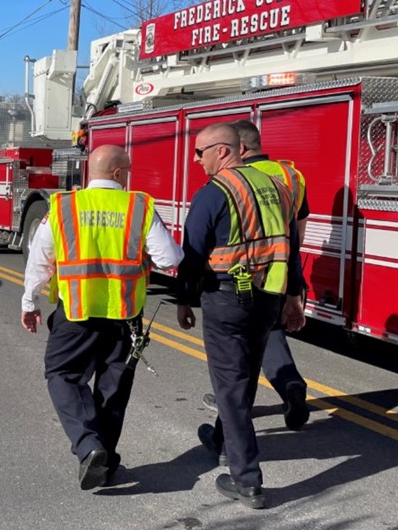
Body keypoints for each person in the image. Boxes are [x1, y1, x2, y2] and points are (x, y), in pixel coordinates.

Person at [21, 145, 183, 490]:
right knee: (113, 388)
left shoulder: (64, 206)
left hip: (77, 312)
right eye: (128, 172)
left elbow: (39, 257)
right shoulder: (138, 207)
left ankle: (88, 447)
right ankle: (104, 459)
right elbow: (170, 258)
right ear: (117, 174)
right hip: (125, 316)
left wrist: (29, 302)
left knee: (63, 375)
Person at [177, 122, 305, 509]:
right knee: (244, 377)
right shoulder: (278, 188)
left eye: (200, 153)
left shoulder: (214, 193)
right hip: (264, 295)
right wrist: (294, 297)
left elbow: (193, 255)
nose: (195, 160)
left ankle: (245, 478)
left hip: (230, 296)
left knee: (231, 386)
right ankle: (221, 439)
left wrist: (185, 300)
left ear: (223, 151)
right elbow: (292, 246)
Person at [201, 120, 310, 431]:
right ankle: (289, 385)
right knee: (267, 335)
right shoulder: (291, 175)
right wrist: (293, 284)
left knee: (236, 350)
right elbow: (297, 232)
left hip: (242, 276)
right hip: (281, 270)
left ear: (239, 147)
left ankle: (230, 426)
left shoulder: (233, 179)